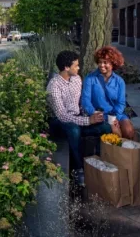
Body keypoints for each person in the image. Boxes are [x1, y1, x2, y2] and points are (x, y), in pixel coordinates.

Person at [47, 50, 111, 186]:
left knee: (105, 127)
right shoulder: (54, 86)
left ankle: (99, 162)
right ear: (66, 68)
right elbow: (62, 116)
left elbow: (80, 104)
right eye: (76, 65)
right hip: (59, 123)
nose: (78, 68)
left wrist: (92, 115)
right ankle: (78, 169)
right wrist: (87, 121)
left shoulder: (77, 79)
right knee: (74, 130)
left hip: (78, 118)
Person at [81, 46, 136, 140]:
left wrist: (115, 118)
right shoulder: (90, 79)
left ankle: (131, 153)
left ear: (113, 63)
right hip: (99, 115)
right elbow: (85, 101)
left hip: (115, 114)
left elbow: (121, 103)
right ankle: (117, 154)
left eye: (105, 62)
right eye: (99, 62)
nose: (101, 65)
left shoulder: (119, 81)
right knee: (116, 133)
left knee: (129, 131)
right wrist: (95, 113)